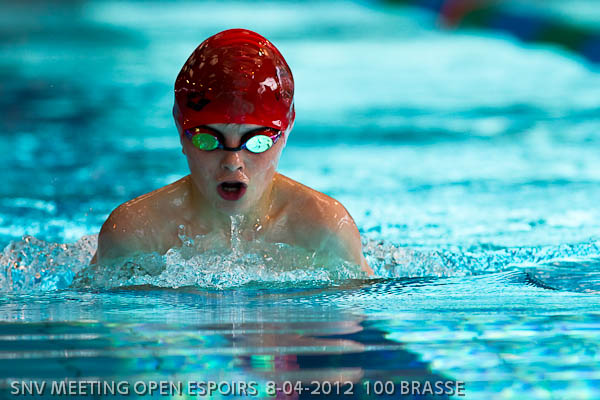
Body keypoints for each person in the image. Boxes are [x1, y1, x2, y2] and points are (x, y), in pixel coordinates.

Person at [90, 29, 373, 275]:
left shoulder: (326, 231)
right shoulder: (136, 233)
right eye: (208, 140)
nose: (232, 162)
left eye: (257, 142)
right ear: (179, 129)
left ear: (287, 129)